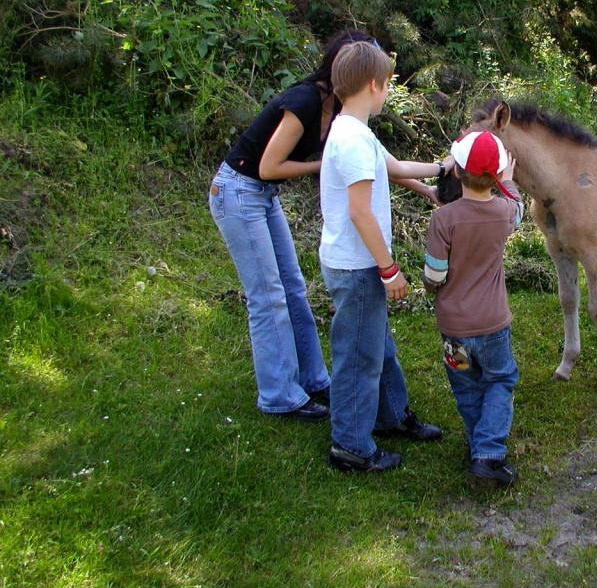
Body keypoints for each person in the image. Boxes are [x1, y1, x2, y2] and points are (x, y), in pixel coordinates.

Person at [209, 30, 436, 421]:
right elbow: (269, 166)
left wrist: (429, 189)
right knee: (268, 296)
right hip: (238, 190)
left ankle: (315, 380)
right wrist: (329, 164)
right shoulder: (305, 100)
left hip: (263, 195)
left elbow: (382, 165)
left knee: (294, 288)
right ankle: (280, 394)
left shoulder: (348, 114)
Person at [320, 40, 445, 472]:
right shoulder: (351, 140)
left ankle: (390, 415)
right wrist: (389, 270)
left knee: (377, 345)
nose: (387, 92)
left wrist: (438, 173)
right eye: (388, 84)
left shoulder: (355, 130)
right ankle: (350, 446)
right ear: (374, 84)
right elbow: (359, 211)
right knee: (358, 356)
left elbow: (392, 167)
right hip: (358, 266)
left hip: (359, 263)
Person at [422, 130, 524, 487]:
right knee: (499, 379)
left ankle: (477, 444)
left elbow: (434, 275)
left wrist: (431, 288)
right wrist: (508, 181)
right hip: (494, 325)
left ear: (458, 171)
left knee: (466, 385)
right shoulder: (504, 213)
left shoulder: (443, 220)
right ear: (496, 174)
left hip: (454, 328)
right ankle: (489, 452)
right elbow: (519, 208)